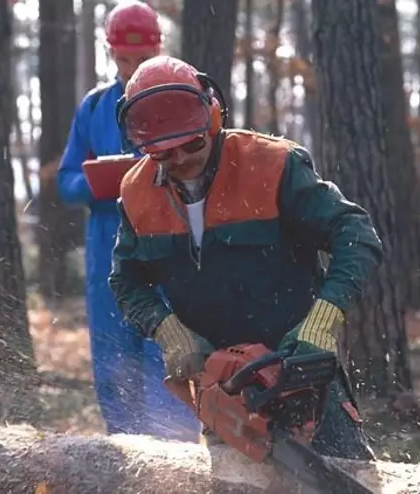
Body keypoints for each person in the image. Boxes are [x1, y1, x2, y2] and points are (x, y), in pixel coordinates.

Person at [108, 55, 383, 460]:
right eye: (165, 154)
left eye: (191, 145)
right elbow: (126, 279)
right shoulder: (136, 192)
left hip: (298, 365)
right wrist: (166, 329)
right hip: (221, 383)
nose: (180, 160)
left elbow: (355, 234)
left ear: (213, 118)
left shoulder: (272, 165)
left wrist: (323, 320)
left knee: (345, 474)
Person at [56, 3, 201, 440]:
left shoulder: (182, 97)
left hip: (169, 251)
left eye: (141, 61)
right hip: (107, 251)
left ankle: (176, 463)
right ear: (110, 53)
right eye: (123, 60)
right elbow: (66, 182)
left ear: (159, 50)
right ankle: (122, 458)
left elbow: (204, 168)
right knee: (113, 359)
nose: (130, 70)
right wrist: (99, 182)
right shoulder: (95, 106)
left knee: (169, 353)